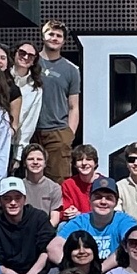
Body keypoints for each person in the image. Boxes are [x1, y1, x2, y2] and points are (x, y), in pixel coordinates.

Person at [32, 19, 82, 168]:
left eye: (59, 36)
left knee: (58, 182)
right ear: (43, 36)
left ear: (64, 41)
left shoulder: (72, 69)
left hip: (57, 132)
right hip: (30, 130)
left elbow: (74, 106)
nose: (54, 38)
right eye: (51, 34)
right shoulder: (30, 62)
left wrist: (68, 135)